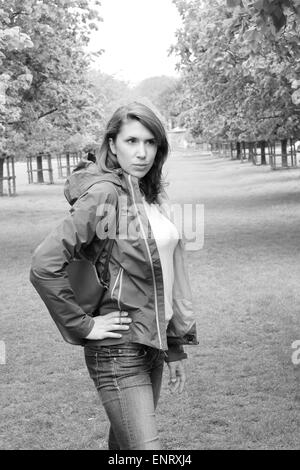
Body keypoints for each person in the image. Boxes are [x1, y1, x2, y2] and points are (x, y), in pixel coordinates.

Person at [30, 102, 198, 450]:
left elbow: (159, 279)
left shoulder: (152, 196)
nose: (142, 152)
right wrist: (84, 325)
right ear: (112, 145)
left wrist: (175, 347)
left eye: (151, 143)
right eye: (132, 141)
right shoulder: (106, 194)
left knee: (123, 449)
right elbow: (44, 264)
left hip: (151, 346)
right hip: (118, 350)